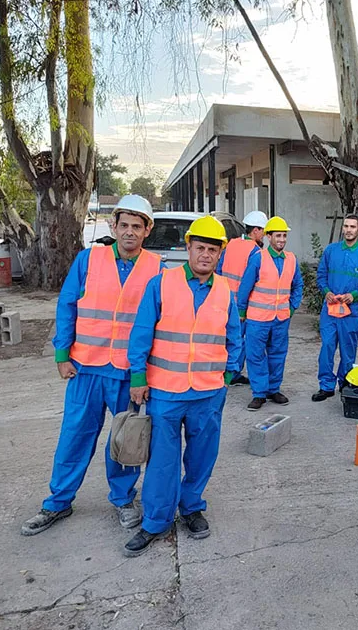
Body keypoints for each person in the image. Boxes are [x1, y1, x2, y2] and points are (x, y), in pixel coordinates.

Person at [22, 195, 162, 536]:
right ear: (113, 226)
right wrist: (61, 354)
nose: (129, 232)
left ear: (147, 230)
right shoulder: (88, 260)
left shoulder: (157, 268)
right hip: (86, 368)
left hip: (128, 372)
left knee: (125, 439)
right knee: (74, 436)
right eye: (123, 225)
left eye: (136, 226)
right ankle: (58, 502)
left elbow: (160, 322)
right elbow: (67, 305)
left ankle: (123, 499)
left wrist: (145, 372)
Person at [124, 215, 241, 556]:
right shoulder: (161, 284)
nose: (206, 255)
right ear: (188, 247)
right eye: (200, 247)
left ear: (220, 254)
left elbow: (234, 336)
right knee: (162, 459)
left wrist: (229, 375)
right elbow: (142, 333)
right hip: (167, 391)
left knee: (203, 455)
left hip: (208, 392)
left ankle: (191, 507)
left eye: (213, 250)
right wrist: (138, 377)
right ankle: (156, 521)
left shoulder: (225, 290)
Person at [238, 215, 303, 411]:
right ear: (268, 237)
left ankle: (273, 389)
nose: (281, 240)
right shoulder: (258, 258)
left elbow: (297, 285)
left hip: (281, 318)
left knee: (277, 355)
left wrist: (292, 307)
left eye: (284, 236)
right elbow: (245, 287)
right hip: (258, 318)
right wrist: (242, 311)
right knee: (256, 355)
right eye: (278, 236)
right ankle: (259, 393)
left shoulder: (291, 259)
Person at [312, 215, 358, 402]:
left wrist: (354, 295)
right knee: (327, 347)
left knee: (348, 351)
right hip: (330, 310)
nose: (349, 230)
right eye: (346, 226)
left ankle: (345, 383)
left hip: (352, 312)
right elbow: (321, 275)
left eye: (353, 227)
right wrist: (326, 291)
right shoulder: (331, 251)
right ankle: (325, 386)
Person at [215, 210, 268, 386]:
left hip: (224, 298)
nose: (265, 235)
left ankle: (222, 370)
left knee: (226, 337)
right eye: (264, 231)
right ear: (256, 230)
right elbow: (249, 280)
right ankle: (233, 372)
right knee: (240, 340)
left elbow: (220, 269)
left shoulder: (231, 244)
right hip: (242, 303)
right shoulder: (255, 251)